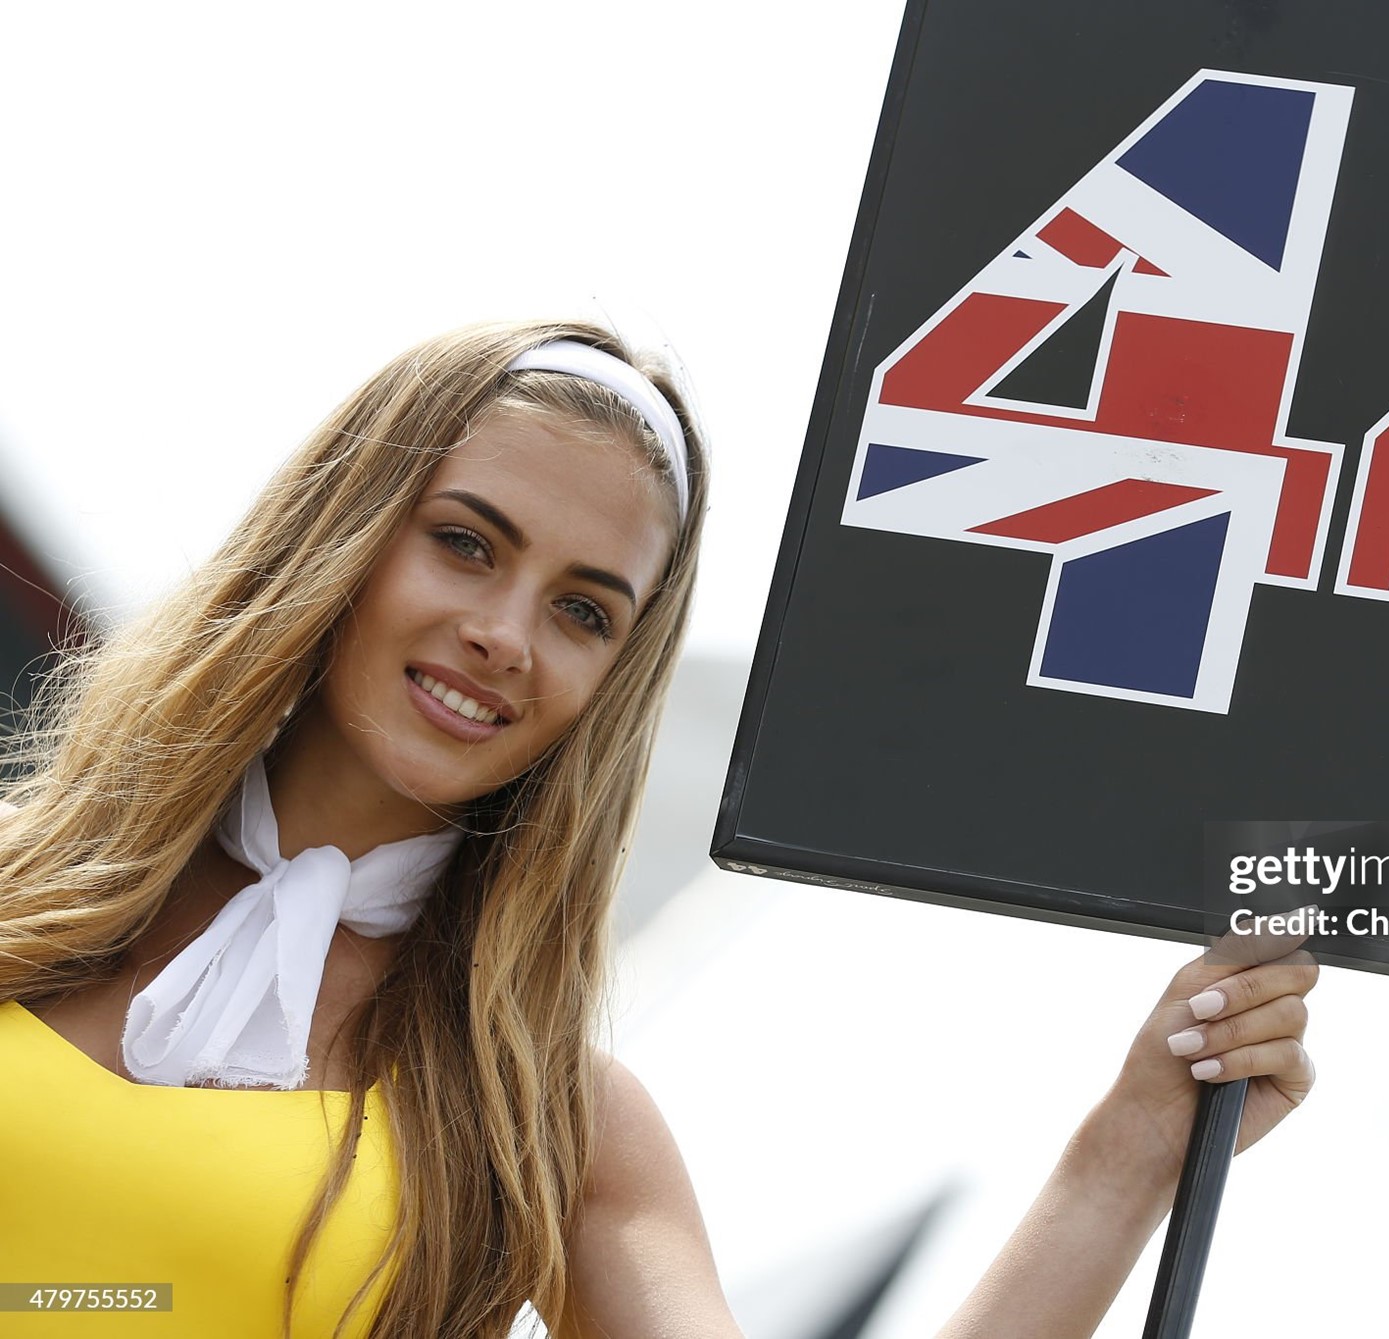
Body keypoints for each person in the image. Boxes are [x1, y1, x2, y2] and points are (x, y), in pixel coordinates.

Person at [0, 319, 1318, 1338]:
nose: (504, 636)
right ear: (341, 538)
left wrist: (1128, 1152)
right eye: (466, 543)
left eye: (584, 611)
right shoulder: (13, 883)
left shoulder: (542, 1119)